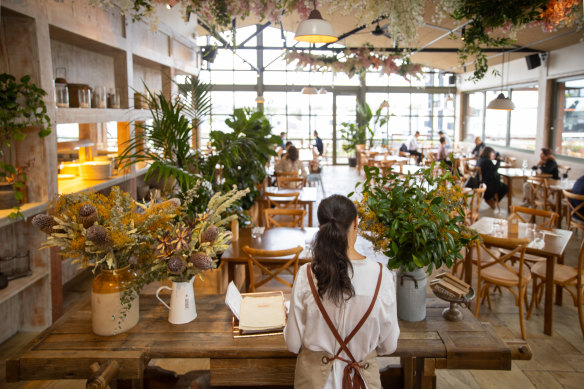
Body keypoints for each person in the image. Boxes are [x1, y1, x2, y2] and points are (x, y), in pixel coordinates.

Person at [284, 195, 399, 388]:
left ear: (320, 227)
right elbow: (389, 346)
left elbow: (292, 344)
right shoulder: (382, 276)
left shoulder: (306, 275)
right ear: (356, 223)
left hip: (314, 382)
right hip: (361, 381)